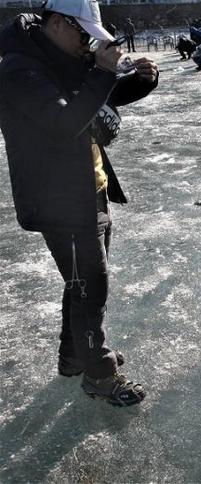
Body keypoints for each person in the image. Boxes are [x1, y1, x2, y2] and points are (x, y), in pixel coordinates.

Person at [0, 0, 159, 406]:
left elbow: (98, 98)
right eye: (82, 33)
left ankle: (75, 358)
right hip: (58, 199)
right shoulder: (20, 70)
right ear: (57, 23)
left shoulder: (57, 53)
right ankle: (99, 373)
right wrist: (103, 71)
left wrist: (140, 81)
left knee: (83, 282)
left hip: (89, 188)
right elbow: (65, 122)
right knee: (91, 287)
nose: (88, 42)